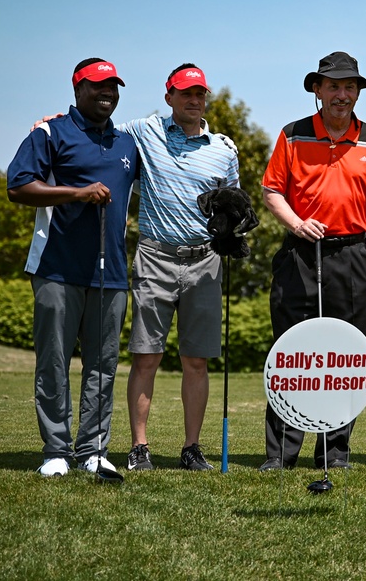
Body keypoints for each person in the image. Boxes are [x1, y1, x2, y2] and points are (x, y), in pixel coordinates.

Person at [259, 51, 366, 471]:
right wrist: (297, 224)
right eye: (333, 85)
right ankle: (280, 455)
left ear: (358, 92)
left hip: (354, 256)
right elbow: (272, 193)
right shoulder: (293, 134)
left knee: (347, 356)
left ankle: (334, 454)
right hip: (300, 253)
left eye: (350, 86)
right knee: (292, 355)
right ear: (316, 90)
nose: (342, 94)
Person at [8, 58, 138, 478]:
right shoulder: (49, 132)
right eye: (99, 85)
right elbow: (19, 186)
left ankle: (93, 450)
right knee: (54, 361)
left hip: (112, 273)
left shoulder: (126, 143)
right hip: (56, 268)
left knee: (103, 365)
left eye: (113, 87)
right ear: (77, 87)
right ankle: (56, 451)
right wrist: (76, 193)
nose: (108, 93)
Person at [117, 64, 241, 472]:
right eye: (185, 93)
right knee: (145, 356)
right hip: (155, 256)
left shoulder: (224, 148)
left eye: (200, 94)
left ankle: (191, 448)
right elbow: (95, 127)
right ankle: (140, 447)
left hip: (205, 261)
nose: (193, 100)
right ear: (169, 96)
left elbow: (232, 204)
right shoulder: (143, 131)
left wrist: (231, 229)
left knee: (197, 360)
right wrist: (50, 123)